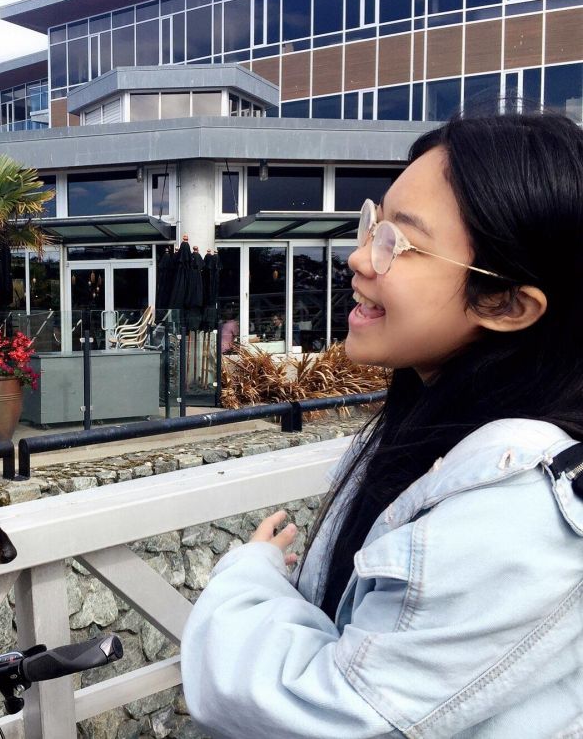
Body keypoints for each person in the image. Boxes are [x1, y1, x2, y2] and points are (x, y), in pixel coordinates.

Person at [181, 110, 583, 738]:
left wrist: (249, 573)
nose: (358, 257)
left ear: (505, 303)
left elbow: (325, 713)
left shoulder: (523, 509)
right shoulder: (428, 429)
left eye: (400, 242)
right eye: (374, 223)